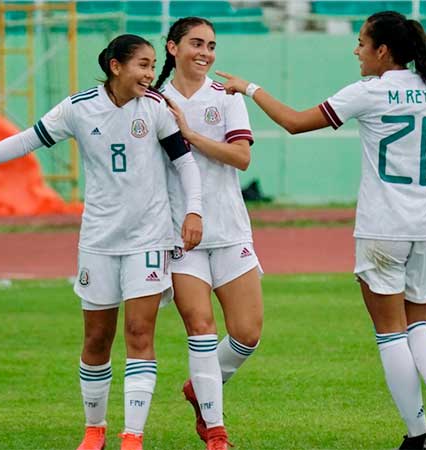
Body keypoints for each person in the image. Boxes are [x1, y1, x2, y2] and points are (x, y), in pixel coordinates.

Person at [0, 34, 204, 450]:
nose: (151, 75)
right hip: (97, 239)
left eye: (153, 66)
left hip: (148, 237)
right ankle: (94, 430)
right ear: (116, 67)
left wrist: (193, 211)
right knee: (96, 339)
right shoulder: (78, 108)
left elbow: (184, 165)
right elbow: (27, 139)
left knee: (139, 334)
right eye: (143, 65)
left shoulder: (156, 110)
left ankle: (132, 436)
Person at [216, 11, 426, 450]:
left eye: (362, 43)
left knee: (389, 332)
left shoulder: (369, 92)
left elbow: (293, 122)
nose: (356, 51)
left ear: (383, 51)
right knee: (419, 322)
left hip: (384, 225)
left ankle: (417, 433)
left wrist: (248, 88)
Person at [152, 16, 264, 450]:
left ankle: (200, 389)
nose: (205, 52)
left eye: (211, 45)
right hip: (181, 237)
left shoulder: (227, 98)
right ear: (172, 47)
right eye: (196, 43)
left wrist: (190, 135)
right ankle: (216, 433)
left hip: (230, 230)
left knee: (247, 334)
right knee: (200, 327)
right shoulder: (154, 101)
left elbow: (241, 158)